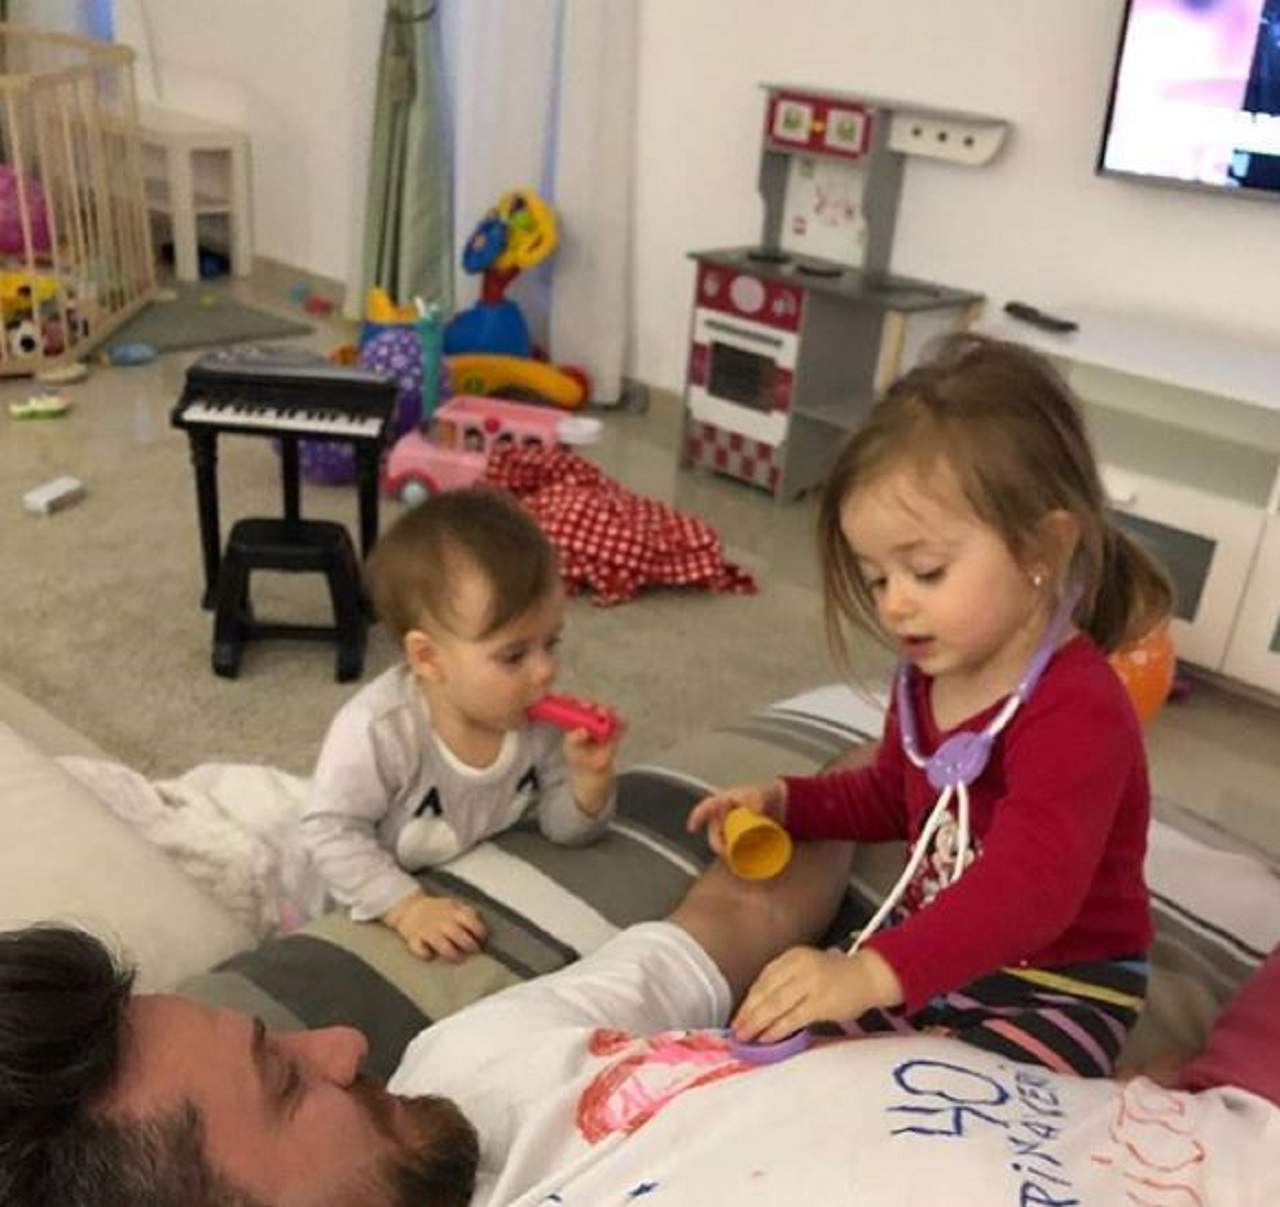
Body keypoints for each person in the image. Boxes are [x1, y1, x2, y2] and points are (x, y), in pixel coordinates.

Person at [2, 879, 1276, 1205]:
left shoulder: (465, 1064)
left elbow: (731, 915)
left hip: (1223, 1107)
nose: (342, 1040)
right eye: (284, 1084)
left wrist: (854, 776)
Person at [689, 334, 1174, 1076]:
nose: (895, 605)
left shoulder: (1079, 707)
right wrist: (789, 802)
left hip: (1060, 985)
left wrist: (874, 971)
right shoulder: (925, 674)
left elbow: (1034, 888)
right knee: (793, 1059)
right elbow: (895, 795)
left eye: (925, 570)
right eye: (877, 578)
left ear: (1043, 549)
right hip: (937, 953)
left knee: (951, 1111)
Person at [301, 487, 625, 962]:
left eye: (550, 643)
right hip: (354, 898)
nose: (545, 671)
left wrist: (589, 783)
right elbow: (330, 834)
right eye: (513, 655)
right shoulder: (380, 730)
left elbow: (562, 830)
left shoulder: (535, 725)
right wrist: (406, 908)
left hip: (461, 879)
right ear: (428, 658)